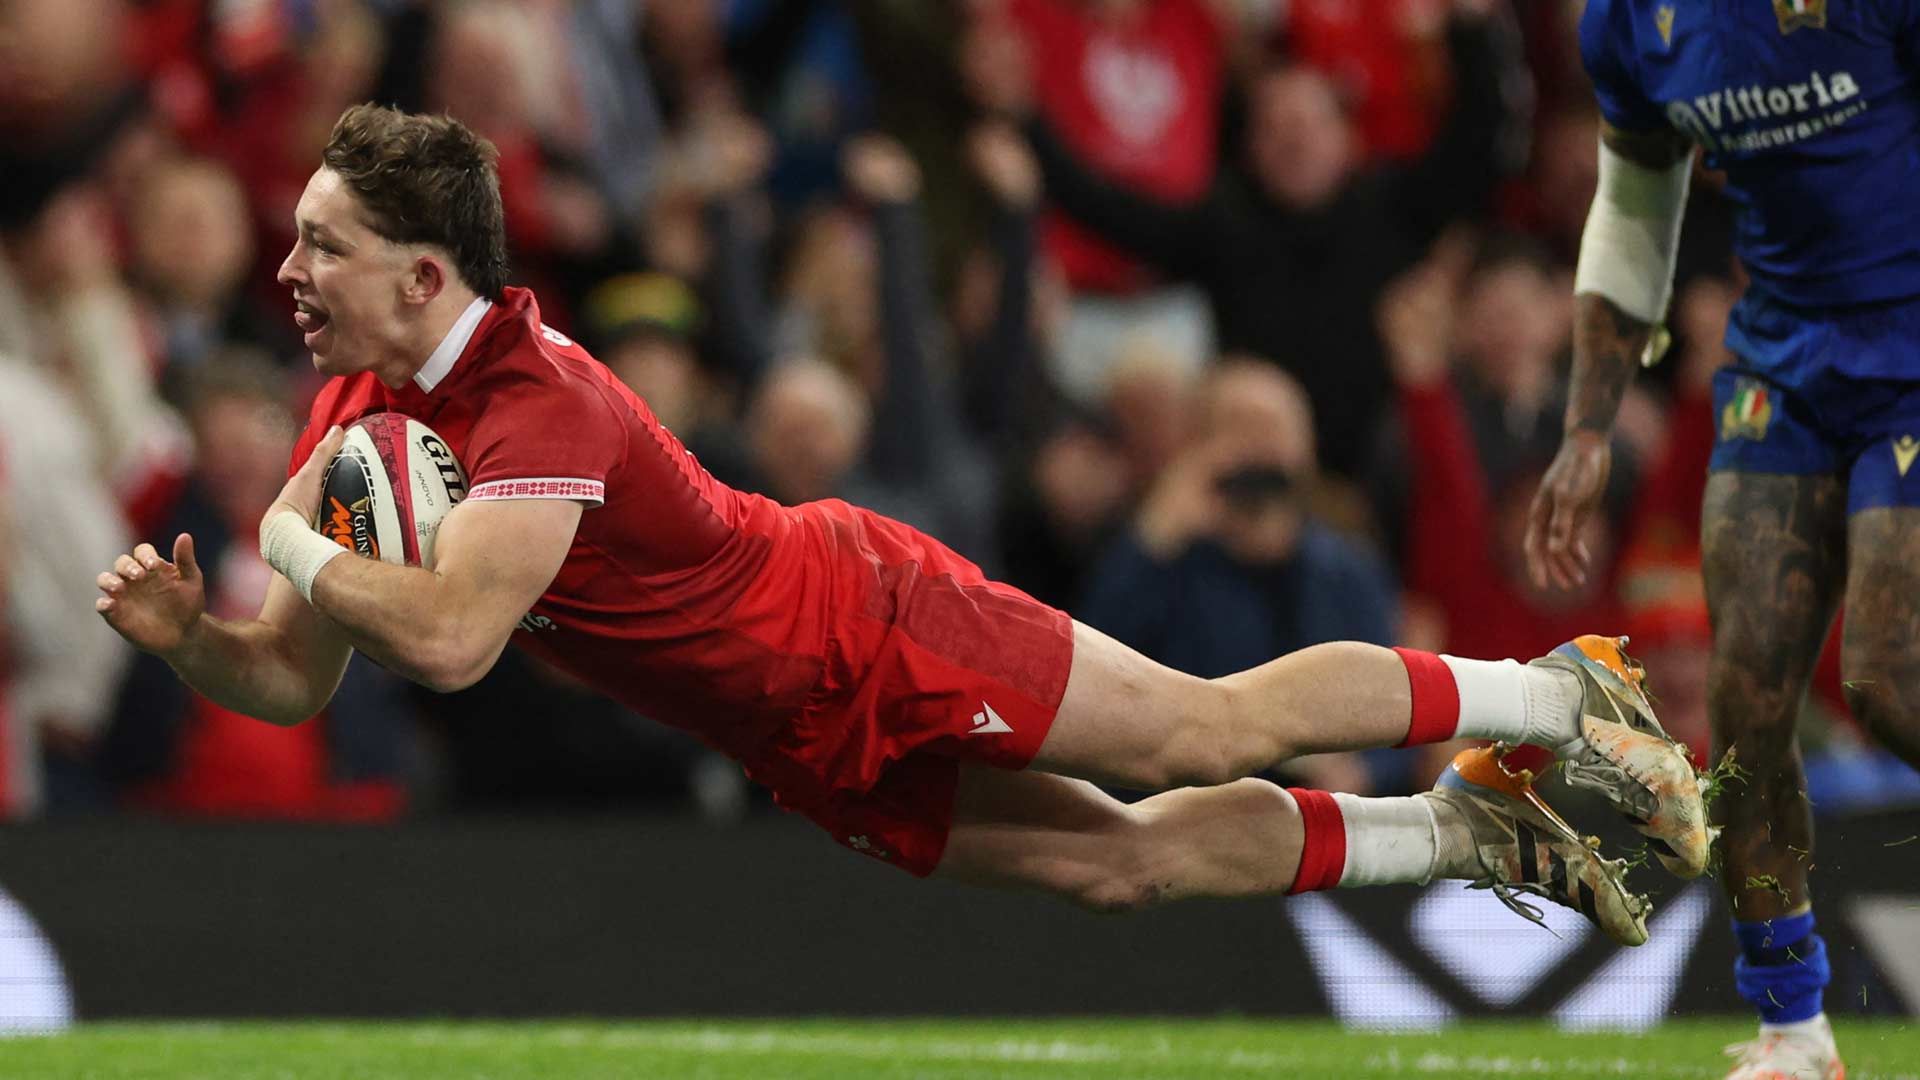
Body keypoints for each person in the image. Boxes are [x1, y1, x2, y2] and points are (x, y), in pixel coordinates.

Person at [96, 104, 1705, 951]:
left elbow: (448, 644)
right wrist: (199, 645)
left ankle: (1560, 695)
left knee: (1198, 732)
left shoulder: (540, 405)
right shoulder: (356, 408)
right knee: (1120, 873)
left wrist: (293, 544)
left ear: (421, 275)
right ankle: (1484, 838)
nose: (287, 270)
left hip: (865, 622)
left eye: (321, 245)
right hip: (785, 731)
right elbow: (294, 681)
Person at [1525, 3, 1920, 1074]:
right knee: (1742, 709)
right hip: (1780, 373)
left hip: (1913, 355)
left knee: (1889, 680)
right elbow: (1634, 207)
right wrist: (1587, 428)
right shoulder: (1631, 24)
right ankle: (1794, 1033)